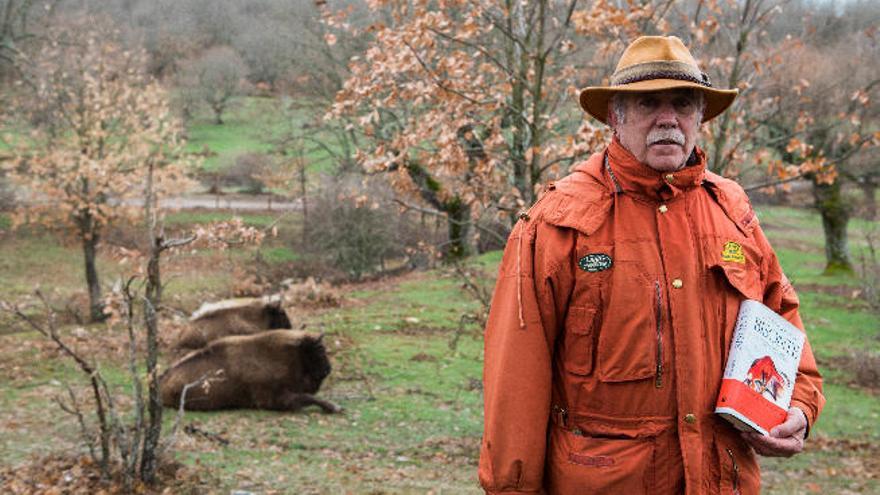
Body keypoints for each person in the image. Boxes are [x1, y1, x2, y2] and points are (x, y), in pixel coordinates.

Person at [478, 36, 825, 495]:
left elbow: (780, 317)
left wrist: (799, 406)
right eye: (648, 103)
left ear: (700, 117)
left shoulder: (731, 211)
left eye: (682, 103)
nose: (668, 119)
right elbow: (514, 378)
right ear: (615, 118)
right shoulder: (558, 223)